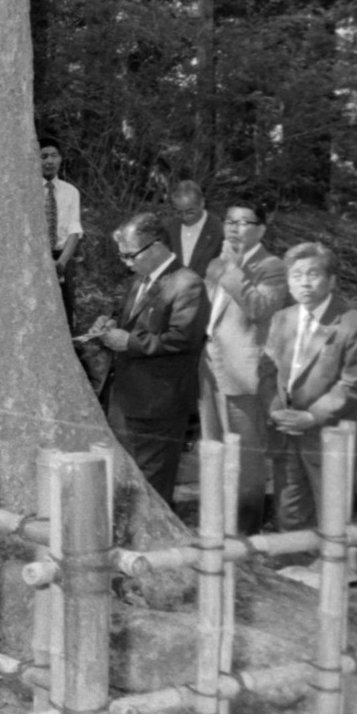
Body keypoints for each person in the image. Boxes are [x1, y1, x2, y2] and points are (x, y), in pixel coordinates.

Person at [261, 242, 357, 535]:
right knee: (289, 509)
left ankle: (332, 574)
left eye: (312, 274)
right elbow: (266, 370)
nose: (304, 282)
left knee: (333, 513)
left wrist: (311, 417)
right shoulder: (281, 318)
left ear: (332, 280)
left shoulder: (355, 324)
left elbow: (352, 385)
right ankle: (291, 572)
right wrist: (276, 410)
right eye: (296, 275)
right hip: (286, 431)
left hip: (331, 435)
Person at [99, 211, 210, 504]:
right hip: (125, 398)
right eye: (122, 256)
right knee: (125, 478)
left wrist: (130, 342)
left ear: (157, 246)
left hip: (158, 403)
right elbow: (128, 318)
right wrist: (109, 324)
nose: (126, 263)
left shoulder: (188, 284)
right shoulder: (139, 280)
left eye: (130, 255)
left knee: (153, 485)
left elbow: (182, 339)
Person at [198, 198, 289, 534]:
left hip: (245, 372)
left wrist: (235, 269)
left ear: (261, 229)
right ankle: (216, 525)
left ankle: (245, 532)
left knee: (247, 456)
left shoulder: (273, 266)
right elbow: (207, 314)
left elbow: (260, 309)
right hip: (209, 365)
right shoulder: (214, 264)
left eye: (244, 222)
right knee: (214, 448)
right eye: (230, 222)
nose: (235, 228)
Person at [39, 137, 82, 325]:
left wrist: (61, 263)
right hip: (36, 257)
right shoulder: (26, 191)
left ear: (61, 159)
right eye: (44, 156)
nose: (49, 161)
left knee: (65, 306)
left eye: (54, 155)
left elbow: (75, 229)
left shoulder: (70, 191)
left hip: (62, 257)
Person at [165, 180, 222, 277]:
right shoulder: (168, 228)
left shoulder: (219, 231)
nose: (184, 217)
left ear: (202, 203)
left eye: (190, 212)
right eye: (178, 212)